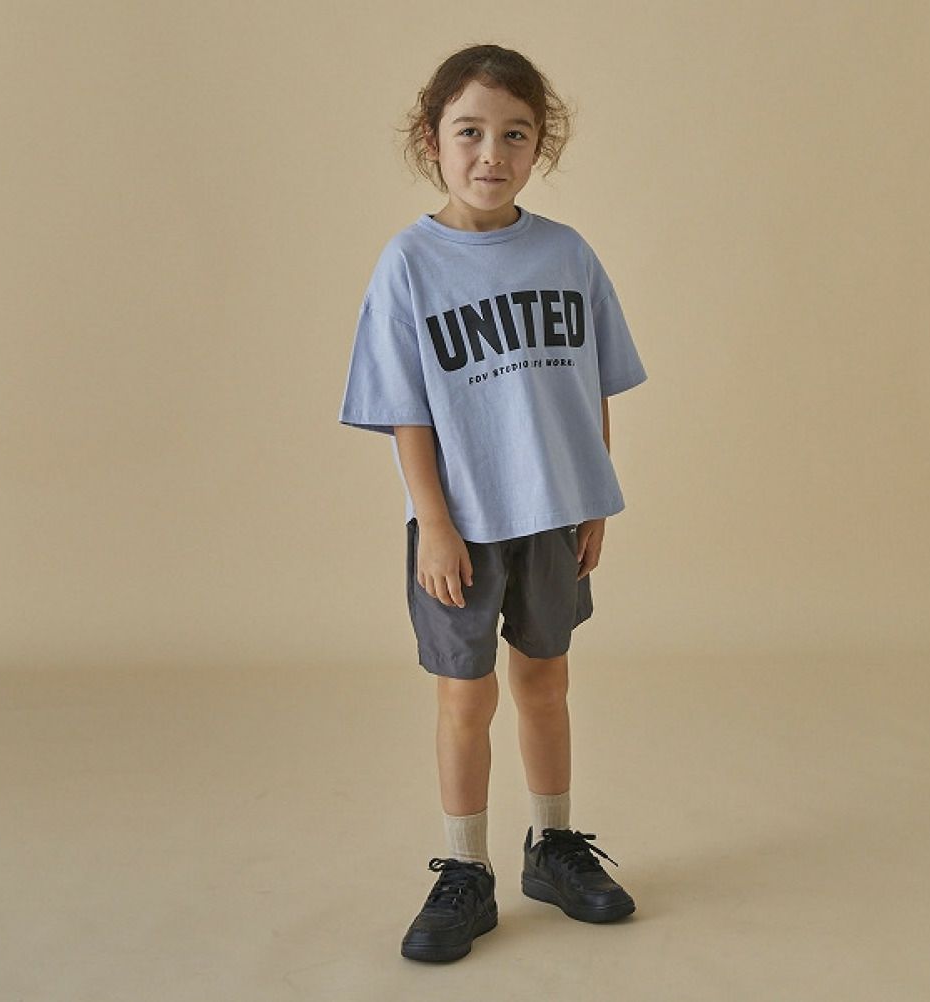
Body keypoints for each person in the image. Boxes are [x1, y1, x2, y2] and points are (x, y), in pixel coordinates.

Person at [338, 42, 648, 963]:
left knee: (546, 683)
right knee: (465, 696)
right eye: (469, 131)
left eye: (515, 134)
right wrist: (433, 523)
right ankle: (465, 869)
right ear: (431, 139)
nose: (491, 154)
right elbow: (405, 411)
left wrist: (594, 496)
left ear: (539, 144)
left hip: (554, 515)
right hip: (461, 526)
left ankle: (552, 846)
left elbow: (590, 382)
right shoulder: (409, 263)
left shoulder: (567, 252)